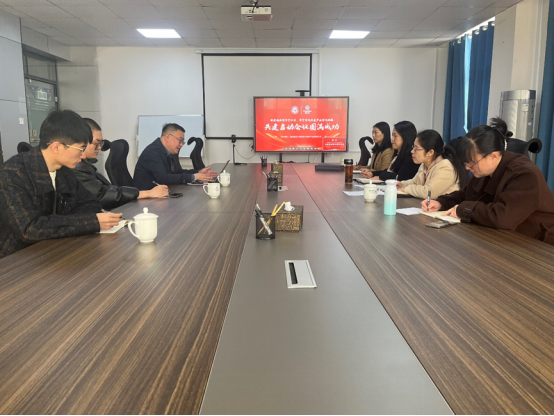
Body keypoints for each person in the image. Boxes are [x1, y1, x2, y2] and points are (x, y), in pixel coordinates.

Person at [0, 110, 122, 259]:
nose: (83, 155)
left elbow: (90, 202)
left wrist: (60, 224)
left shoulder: (63, 170)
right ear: (56, 147)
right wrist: (90, 222)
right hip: (16, 259)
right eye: (80, 149)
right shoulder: (13, 173)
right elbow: (29, 229)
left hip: (54, 249)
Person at [422, 117, 554, 245]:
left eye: (472, 163)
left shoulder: (525, 175)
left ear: (493, 156)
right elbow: (466, 195)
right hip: (503, 238)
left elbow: (502, 217)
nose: (467, 168)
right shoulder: (485, 170)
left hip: (537, 244)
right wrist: (441, 202)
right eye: (466, 163)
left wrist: (463, 209)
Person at [74, 118, 168, 210]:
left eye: (100, 143)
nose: (99, 147)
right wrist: (147, 193)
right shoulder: (77, 167)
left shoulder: (86, 164)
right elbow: (102, 195)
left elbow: (105, 190)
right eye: (96, 143)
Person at [133, 123, 217, 190]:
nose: (181, 145)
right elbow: (163, 178)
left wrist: (198, 172)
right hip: (145, 199)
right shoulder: (152, 152)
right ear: (168, 137)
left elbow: (178, 172)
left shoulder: (170, 152)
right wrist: (193, 177)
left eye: (182, 142)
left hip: (162, 193)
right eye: (180, 140)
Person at [397, 129, 468, 199]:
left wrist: (406, 189)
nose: (412, 151)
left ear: (430, 152)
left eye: (417, 148)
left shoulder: (446, 167)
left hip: (447, 206)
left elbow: (429, 192)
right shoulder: (424, 164)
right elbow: (415, 182)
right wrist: (402, 184)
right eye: (413, 147)